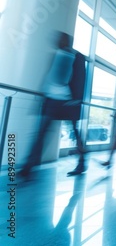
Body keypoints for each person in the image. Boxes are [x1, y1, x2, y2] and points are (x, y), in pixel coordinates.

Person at [20, 32, 87, 177]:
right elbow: (50, 76)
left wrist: (76, 99)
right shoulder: (57, 54)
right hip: (52, 100)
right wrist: (43, 95)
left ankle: (82, 162)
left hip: (68, 101)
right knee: (41, 132)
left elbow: (80, 78)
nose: (57, 41)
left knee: (75, 133)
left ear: (67, 41)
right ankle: (28, 166)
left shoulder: (76, 56)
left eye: (61, 39)